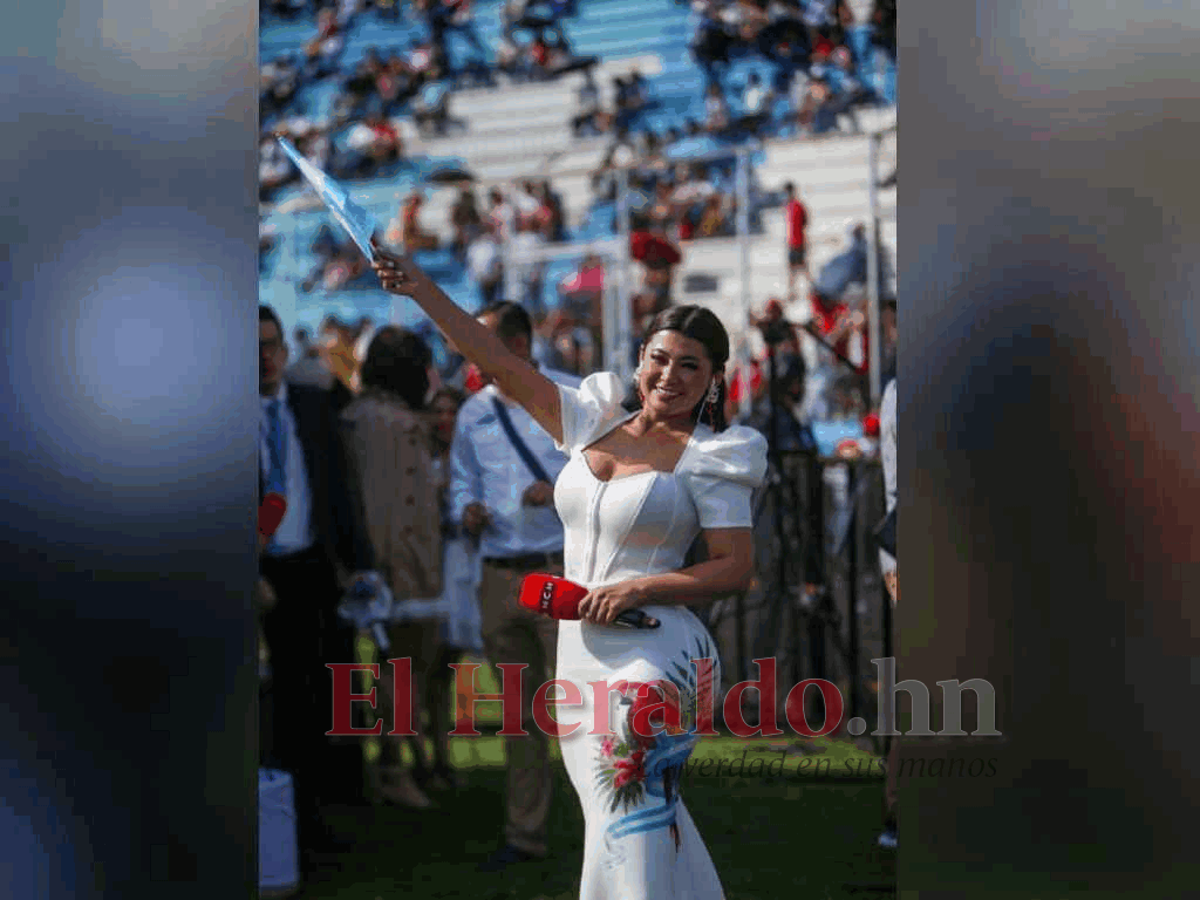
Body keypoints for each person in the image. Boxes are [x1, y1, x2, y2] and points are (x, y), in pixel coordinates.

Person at [370, 240, 768, 899]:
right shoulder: (589, 420)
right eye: (660, 359)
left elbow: (735, 570)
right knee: (628, 818)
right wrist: (420, 290)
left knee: (631, 808)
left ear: (714, 378)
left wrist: (643, 585)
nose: (670, 376)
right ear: (640, 359)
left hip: (658, 649)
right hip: (581, 650)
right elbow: (495, 359)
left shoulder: (713, 456)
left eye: (690, 366)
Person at [258, 305, 379, 876]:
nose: (262, 358)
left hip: (309, 569)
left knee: (314, 698)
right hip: (252, 576)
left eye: (271, 345)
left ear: (285, 350)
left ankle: (309, 819)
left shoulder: (310, 406)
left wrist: (357, 562)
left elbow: (339, 489)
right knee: (269, 704)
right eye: (252, 347)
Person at [339, 326, 445, 811]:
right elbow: (388, 506)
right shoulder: (387, 424)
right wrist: (388, 571)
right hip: (402, 567)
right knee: (401, 670)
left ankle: (405, 759)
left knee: (399, 669)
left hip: (395, 562)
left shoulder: (366, 417)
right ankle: (391, 767)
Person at [783, 181, 809, 299]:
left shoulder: (795, 206)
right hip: (794, 241)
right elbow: (805, 222)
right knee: (796, 268)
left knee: (799, 267)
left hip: (797, 242)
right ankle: (794, 291)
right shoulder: (792, 206)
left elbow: (804, 222)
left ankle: (796, 291)